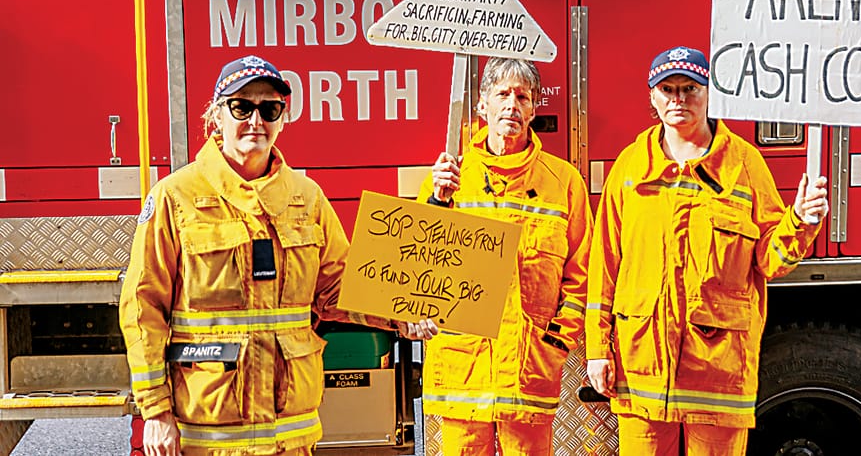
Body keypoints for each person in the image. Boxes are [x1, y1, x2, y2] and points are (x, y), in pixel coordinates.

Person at [119, 55, 426, 456]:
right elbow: (142, 308)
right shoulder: (175, 197)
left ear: (283, 118)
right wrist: (156, 412)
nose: (255, 120)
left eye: (270, 108)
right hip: (209, 434)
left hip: (289, 434)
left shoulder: (307, 197)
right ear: (215, 116)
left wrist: (399, 311)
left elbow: (337, 288)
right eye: (241, 107)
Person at [584, 46, 829, 456]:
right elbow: (604, 263)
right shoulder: (629, 168)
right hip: (641, 360)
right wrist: (596, 350)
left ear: (710, 94)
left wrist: (800, 219)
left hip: (717, 367)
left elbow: (771, 259)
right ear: (652, 97)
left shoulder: (744, 165)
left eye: (690, 89)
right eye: (668, 89)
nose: (678, 99)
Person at [417, 57, 593, 456]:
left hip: (530, 366)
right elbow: (416, 266)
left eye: (522, 96)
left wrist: (556, 341)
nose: (512, 104)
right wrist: (436, 200)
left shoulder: (563, 182)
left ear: (534, 109)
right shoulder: (449, 175)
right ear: (482, 106)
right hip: (464, 363)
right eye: (502, 94)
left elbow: (582, 273)